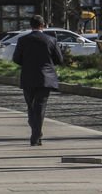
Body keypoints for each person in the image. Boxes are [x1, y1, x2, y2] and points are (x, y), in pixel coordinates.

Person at [11, 15, 63, 146]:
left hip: (28, 77)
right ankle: (37, 134)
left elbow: (16, 59)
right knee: (40, 106)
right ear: (43, 25)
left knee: (30, 106)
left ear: (31, 25)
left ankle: (35, 134)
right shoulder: (51, 40)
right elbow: (59, 59)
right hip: (45, 78)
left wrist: (28, 63)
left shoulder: (23, 40)